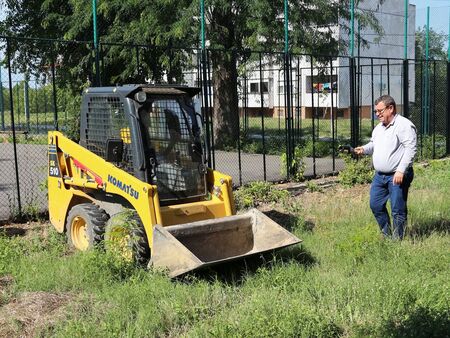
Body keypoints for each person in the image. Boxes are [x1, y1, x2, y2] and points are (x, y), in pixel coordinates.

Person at [354, 95, 417, 239]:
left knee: (397, 210)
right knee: (375, 205)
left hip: (397, 175)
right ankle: (387, 234)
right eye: (376, 112)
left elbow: (410, 149)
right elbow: (374, 145)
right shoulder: (379, 128)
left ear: (391, 108)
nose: (377, 114)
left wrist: (401, 170)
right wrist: (363, 149)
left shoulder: (404, 125)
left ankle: (397, 240)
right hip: (380, 176)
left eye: (380, 111)